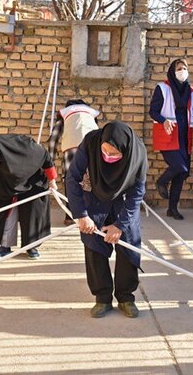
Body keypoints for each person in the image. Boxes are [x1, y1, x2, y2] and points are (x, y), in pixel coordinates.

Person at [66, 121, 148, 318]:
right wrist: (81, 215)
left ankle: (126, 297)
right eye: (105, 152)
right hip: (94, 198)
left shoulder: (137, 151)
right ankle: (102, 298)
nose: (108, 157)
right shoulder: (91, 142)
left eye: (114, 154)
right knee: (94, 248)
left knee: (128, 247)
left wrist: (120, 225)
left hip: (124, 201)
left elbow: (137, 192)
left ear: (125, 151)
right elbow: (72, 178)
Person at [0, 134, 58, 260]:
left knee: (31, 215)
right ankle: (4, 245)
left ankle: (31, 246)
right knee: (6, 213)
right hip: (4, 186)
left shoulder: (29, 149)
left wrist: (52, 181)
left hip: (32, 182)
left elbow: (46, 159)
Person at [149, 58, 193, 220]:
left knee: (181, 174)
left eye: (185, 68)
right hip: (168, 133)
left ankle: (172, 208)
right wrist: (163, 120)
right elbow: (153, 111)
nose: (182, 71)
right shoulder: (162, 88)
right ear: (173, 71)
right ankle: (161, 181)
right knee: (180, 167)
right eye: (179, 68)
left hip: (184, 135)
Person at [48, 99, 100, 225]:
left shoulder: (66, 115)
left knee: (71, 180)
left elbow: (53, 139)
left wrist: (50, 160)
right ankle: (92, 215)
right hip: (92, 149)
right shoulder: (90, 115)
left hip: (72, 150)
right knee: (92, 180)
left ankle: (70, 217)